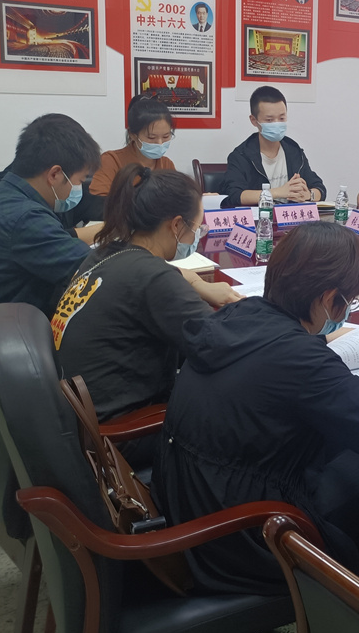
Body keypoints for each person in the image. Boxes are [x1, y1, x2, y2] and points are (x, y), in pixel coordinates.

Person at [153, 222, 359, 602]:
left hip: (189, 494)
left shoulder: (238, 315)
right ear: (329, 297)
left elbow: (273, 361)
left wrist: (324, 337)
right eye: (349, 301)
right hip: (241, 534)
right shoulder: (298, 357)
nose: (346, 310)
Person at [53, 166, 241, 464]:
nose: (197, 235)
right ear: (176, 225)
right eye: (197, 228)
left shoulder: (105, 252)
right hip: (121, 436)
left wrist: (196, 284)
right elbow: (226, 346)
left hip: (79, 422)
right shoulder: (151, 277)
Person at [0, 114, 101, 315]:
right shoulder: (26, 218)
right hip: (20, 322)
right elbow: (97, 270)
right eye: (80, 181)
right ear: (55, 174)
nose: (79, 188)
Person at [221, 85, 325, 206]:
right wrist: (278, 192)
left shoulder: (293, 149)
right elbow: (234, 195)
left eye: (281, 118)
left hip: (290, 216)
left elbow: (319, 188)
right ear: (254, 120)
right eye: (269, 120)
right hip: (260, 216)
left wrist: (308, 195)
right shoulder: (241, 155)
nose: (277, 124)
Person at [88, 94, 177, 202]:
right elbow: (98, 203)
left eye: (166, 136)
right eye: (151, 137)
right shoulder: (111, 161)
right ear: (133, 135)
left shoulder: (167, 164)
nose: (160, 143)